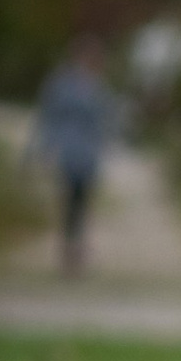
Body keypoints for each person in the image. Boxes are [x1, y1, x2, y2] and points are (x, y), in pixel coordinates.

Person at [33, 37, 116, 275]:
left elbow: (105, 120)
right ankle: (69, 247)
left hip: (89, 152)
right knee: (70, 197)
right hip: (69, 150)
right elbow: (49, 116)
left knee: (83, 199)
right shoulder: (61, 84)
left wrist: (106, 145)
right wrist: (47, 148)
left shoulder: (98, 86)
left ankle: (77, 245)